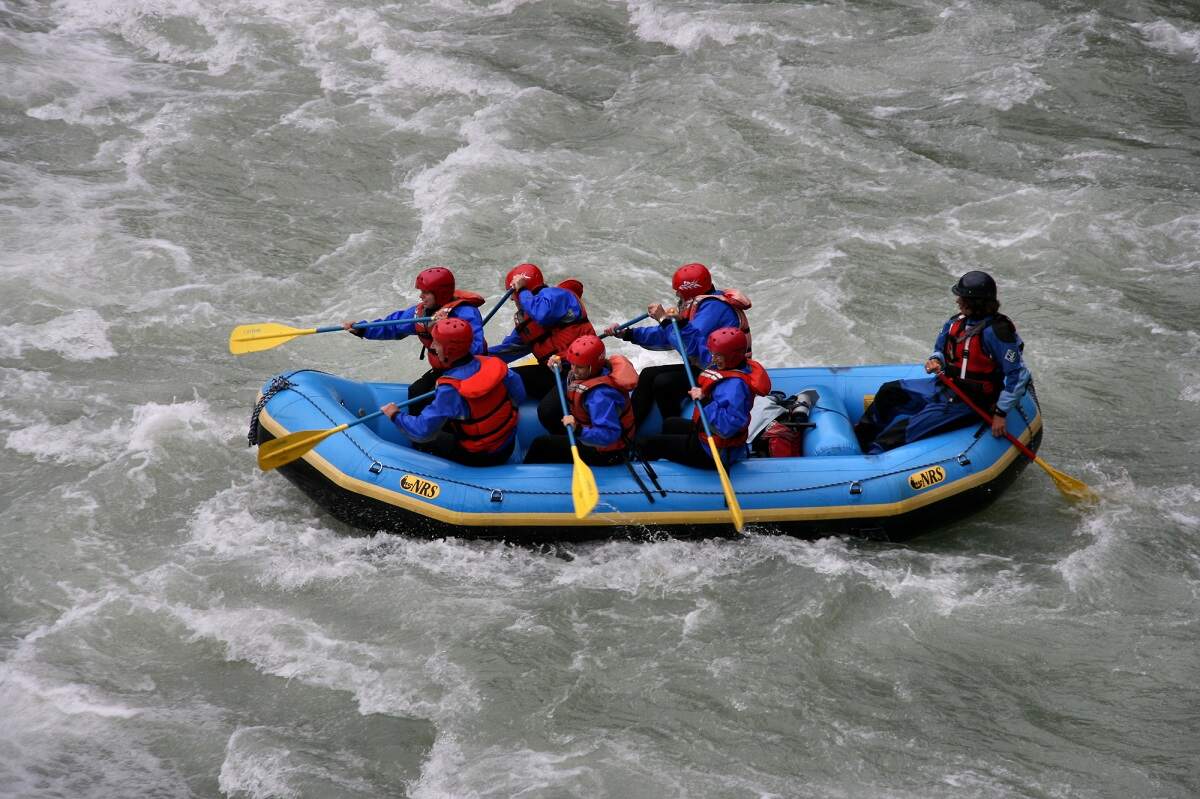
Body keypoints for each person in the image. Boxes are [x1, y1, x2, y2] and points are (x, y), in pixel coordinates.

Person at [853, 270, 1030, 454]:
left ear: (976, 303)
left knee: (901, 432)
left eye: (962, 298)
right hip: (944, 387)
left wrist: (1001, 413)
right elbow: (941, 352)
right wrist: (936, 360)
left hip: (970, 402)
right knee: (890, 391)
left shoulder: (997, 332)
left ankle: (869, 458)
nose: (957, 301)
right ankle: (859, 440)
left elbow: (1018, 374)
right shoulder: (955, 323)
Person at [603, 262, 752, 427]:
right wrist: (628, 334)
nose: (676, 293)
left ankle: (672, 427)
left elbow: (685, 343)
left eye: (679, 290)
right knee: (647, 374)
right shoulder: (699, 303)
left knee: (664, 382)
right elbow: (667, 335)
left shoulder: (714, 308)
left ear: (690, 289)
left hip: (722, 370)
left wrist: (662, 319)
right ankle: (629, 431)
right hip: (706, 364)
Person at [380, 318, 525, 467]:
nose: (433, 346)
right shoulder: (494, 364)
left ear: (449, 350)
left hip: (481, 456)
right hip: (508, 443)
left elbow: (423, 432)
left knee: (429, 439)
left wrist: (395, 415)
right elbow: (520, 394)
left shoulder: (450, 389)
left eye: (436, 342)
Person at [343, 266, 487, 415]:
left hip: (467, 369)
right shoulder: (421, 312)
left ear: (440, 294)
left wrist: (444, 330)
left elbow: (477, 349)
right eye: (421, 292)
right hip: (444, 368)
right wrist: (363, 329)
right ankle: (418, 434)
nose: (421, 297)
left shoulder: (466, 312)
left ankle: (439, 432)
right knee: (416, 391)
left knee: (437, 399)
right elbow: (393, 326)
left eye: (425, 293)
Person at [637, 327, 771, 470]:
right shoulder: (727, 363)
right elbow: (697, 348)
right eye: (714, 353)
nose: (714, 358)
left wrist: (704, 400)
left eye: (718, 355)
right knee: (670, 424)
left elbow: (726, 427)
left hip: (714, 452)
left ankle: (654, 475)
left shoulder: (735, 387)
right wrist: (678, 324)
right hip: (706, 434)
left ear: (731, 355)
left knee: (646, 444)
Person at [488, 262, 596, 428]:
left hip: (579, 371)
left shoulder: (557, 296)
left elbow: (542, 314)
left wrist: (522, 291)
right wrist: (472, 358)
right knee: (502, 379)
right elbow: (507, 350)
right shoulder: (527, 319)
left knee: (547, 412)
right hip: (553, 371)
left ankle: (578, 440)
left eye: (513, 292)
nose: (511, 299)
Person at [524, 335, 638, 466]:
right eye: (572, 364)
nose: (573, 369)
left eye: (579, 367)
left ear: (593, 366)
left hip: (605, 453)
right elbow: (575, 386)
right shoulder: (595, 372)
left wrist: (578, 430)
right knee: (550, 413)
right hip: (589, 433)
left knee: (541, 444)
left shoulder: (600, 397)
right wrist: (560, 371)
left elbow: (610, 434)